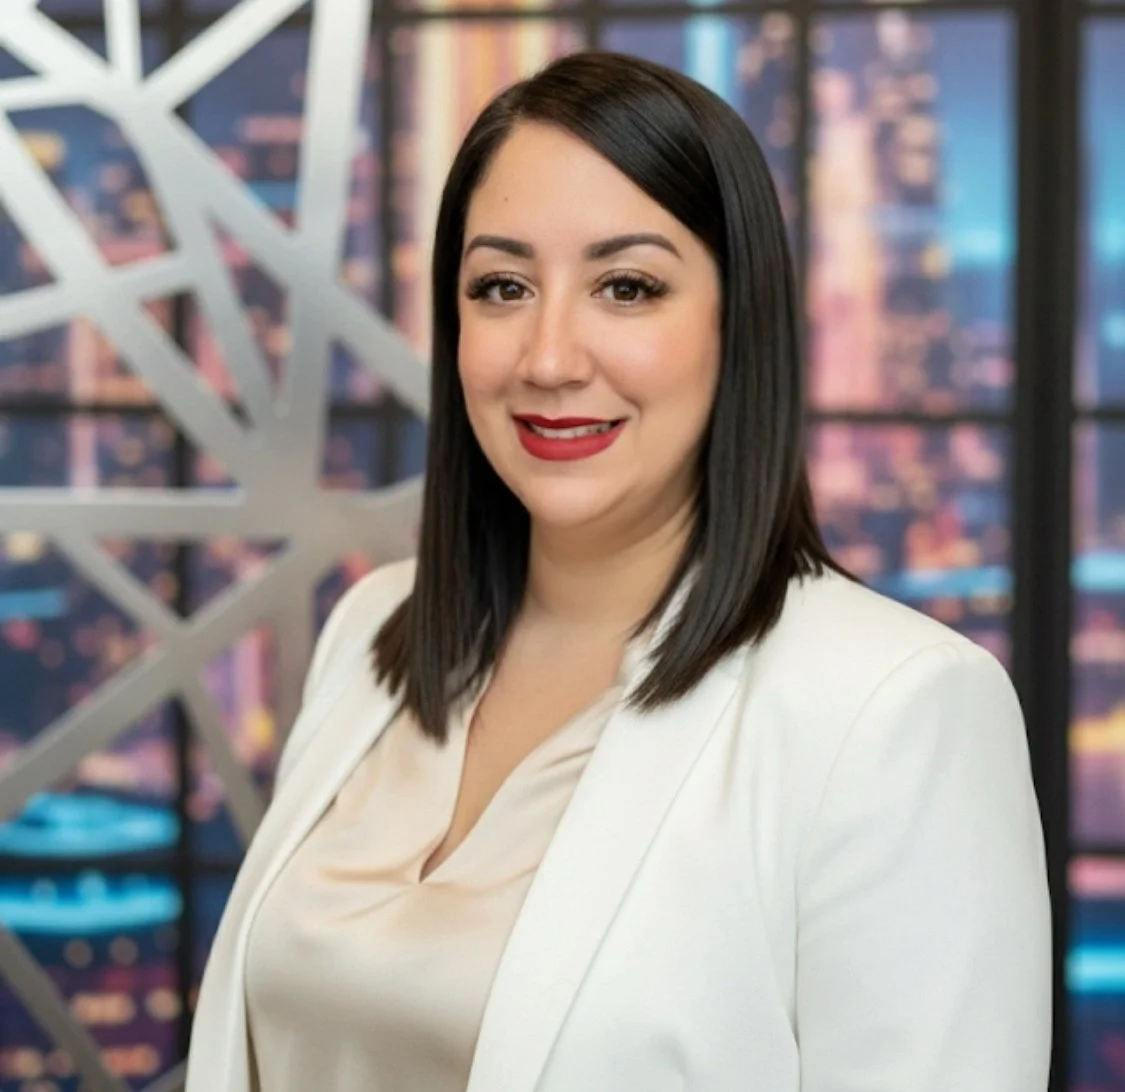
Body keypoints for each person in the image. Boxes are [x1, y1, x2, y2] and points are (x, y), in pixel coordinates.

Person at [185, 51, 1051, 1092]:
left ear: (740, 323)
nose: (548, 357)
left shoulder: (893, 710)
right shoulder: (376, 631)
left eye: (626, 287)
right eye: (502, 287)